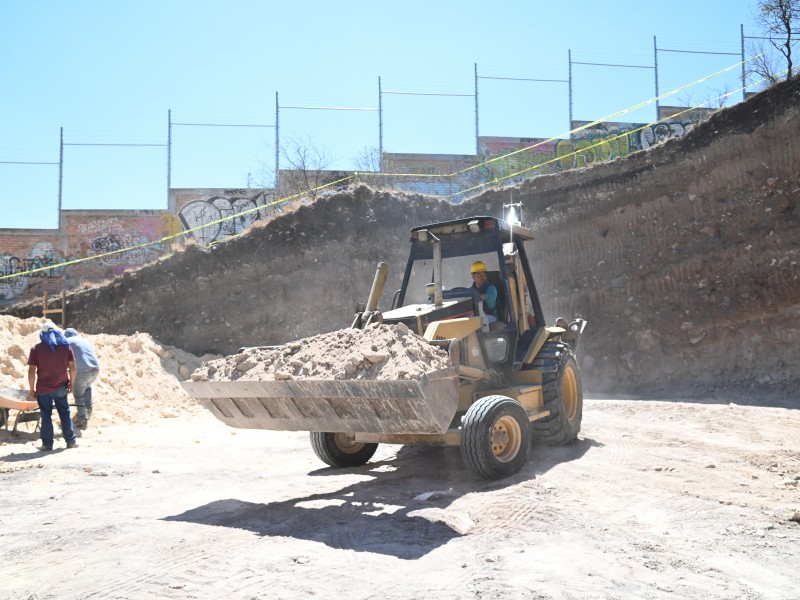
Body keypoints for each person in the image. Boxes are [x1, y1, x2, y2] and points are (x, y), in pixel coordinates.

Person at [27, 320, 78, 451]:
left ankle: (47, 444)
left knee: (46, 415)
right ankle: (71, 441)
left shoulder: (36, 349)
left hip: (43, 389)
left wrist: (31, 389)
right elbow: (72, 367)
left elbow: (31, 370)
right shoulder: (66, 346)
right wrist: (72, 383)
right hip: (61, 386)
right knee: (65, 413)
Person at [64, 328, 101, 429]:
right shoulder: (84, 340)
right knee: (87, 387)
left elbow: (64, 359)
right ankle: (88, 409)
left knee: (78, 394)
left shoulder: (67, 341)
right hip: (95, 369)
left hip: (83, 371)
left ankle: (82, 419)